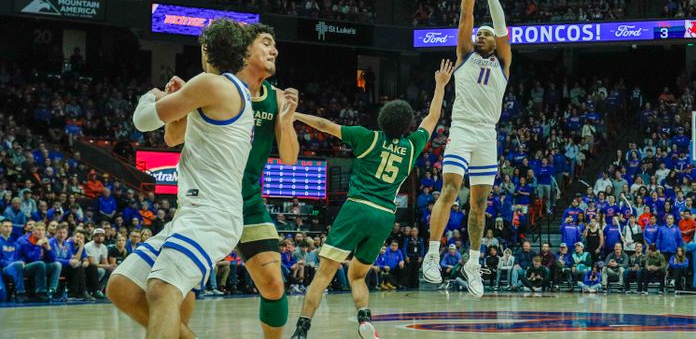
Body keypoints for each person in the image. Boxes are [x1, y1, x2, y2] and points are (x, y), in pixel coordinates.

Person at [106, 18, 259, 339]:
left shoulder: (212, 84)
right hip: (192, 214)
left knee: (162, 290)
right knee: (121, 286)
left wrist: (153, 96)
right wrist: (179, 100)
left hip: (212, 213)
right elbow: (173, 138)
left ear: (206, 51)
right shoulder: (220, 90)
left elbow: (143, 121)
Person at [290, 60, 454, 339]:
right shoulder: (412, 145)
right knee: (357, 275)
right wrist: (440, 85)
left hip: (357, 207)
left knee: (323, 274)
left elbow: (325, 125)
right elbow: (432, 117)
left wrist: (297, 115)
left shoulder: (367, 137)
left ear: (383, 118)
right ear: (405, 125)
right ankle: (365, 321)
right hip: (384, 215)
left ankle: (301, 330)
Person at [163, 23, 300, 339]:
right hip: (207, 203)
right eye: (266, 42)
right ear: (244, 49)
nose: (274, 49)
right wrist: (180, 109)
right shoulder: (213, 86)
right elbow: (172, 138)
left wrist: (287, 121)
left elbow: (290, 158)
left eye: (275, 44)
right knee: (178, 287)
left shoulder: (277, 98)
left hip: (248, 202)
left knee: (274, 284)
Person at [423, 0, 511, 298]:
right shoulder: (464, 55)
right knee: (450, 188)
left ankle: (472, 264)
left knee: (480, 204)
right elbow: (465, 16)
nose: (481, 35)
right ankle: (432, 256)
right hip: (461, 128)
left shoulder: (503, 62)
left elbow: (501, 28)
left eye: (485, 34)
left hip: (487, 133)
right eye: (479, 33)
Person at [1, 219, 26, 301]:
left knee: (19, 265)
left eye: (10, 226)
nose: (8, 228)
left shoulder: (15, 243)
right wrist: (14, 263)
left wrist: (22, 261)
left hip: (16, 268)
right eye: (5, 226)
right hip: (3, 269)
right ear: (0, 228)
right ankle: (20, 292)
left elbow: (21, 256)